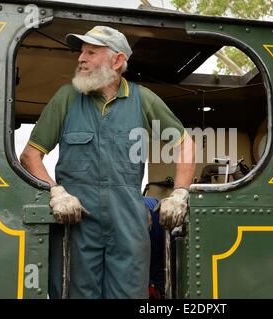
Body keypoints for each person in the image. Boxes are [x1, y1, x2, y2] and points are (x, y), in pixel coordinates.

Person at [20, 25, 196, 299]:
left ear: (117, 60)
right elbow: (31, 155)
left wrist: (180, 192)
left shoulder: (143, 100)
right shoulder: (67, 98)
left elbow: (185, 143)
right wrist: (55, 191)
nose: (81, 58)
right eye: (81, 52)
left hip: (128, 223)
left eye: (91, 52)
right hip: (76, 221)